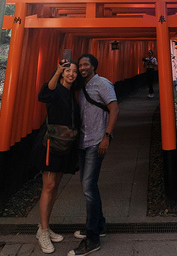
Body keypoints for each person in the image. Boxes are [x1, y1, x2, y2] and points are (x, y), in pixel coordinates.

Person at [68, 53, 118, 256]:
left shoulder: (102, 84)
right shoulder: (82, 85)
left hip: (97, 140)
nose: (82, 68)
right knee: (89, 186)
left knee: (88, 187)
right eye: (80, 65)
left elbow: (114, 109)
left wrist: (107, 136)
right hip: (83, 141)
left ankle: (92, 239)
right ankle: (100, 225)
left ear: (94, 66)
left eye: (86, 64)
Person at [35, 58, 80, 254]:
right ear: (61, 72)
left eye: (74, 71)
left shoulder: (72, 94)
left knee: (56, 186)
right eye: (67, 70)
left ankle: (44, 226)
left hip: (66, 144)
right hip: (52, 143)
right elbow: (44, 94)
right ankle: (43, 231)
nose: (71, 74)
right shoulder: (55, 89)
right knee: (49, 185)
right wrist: (56, 72)